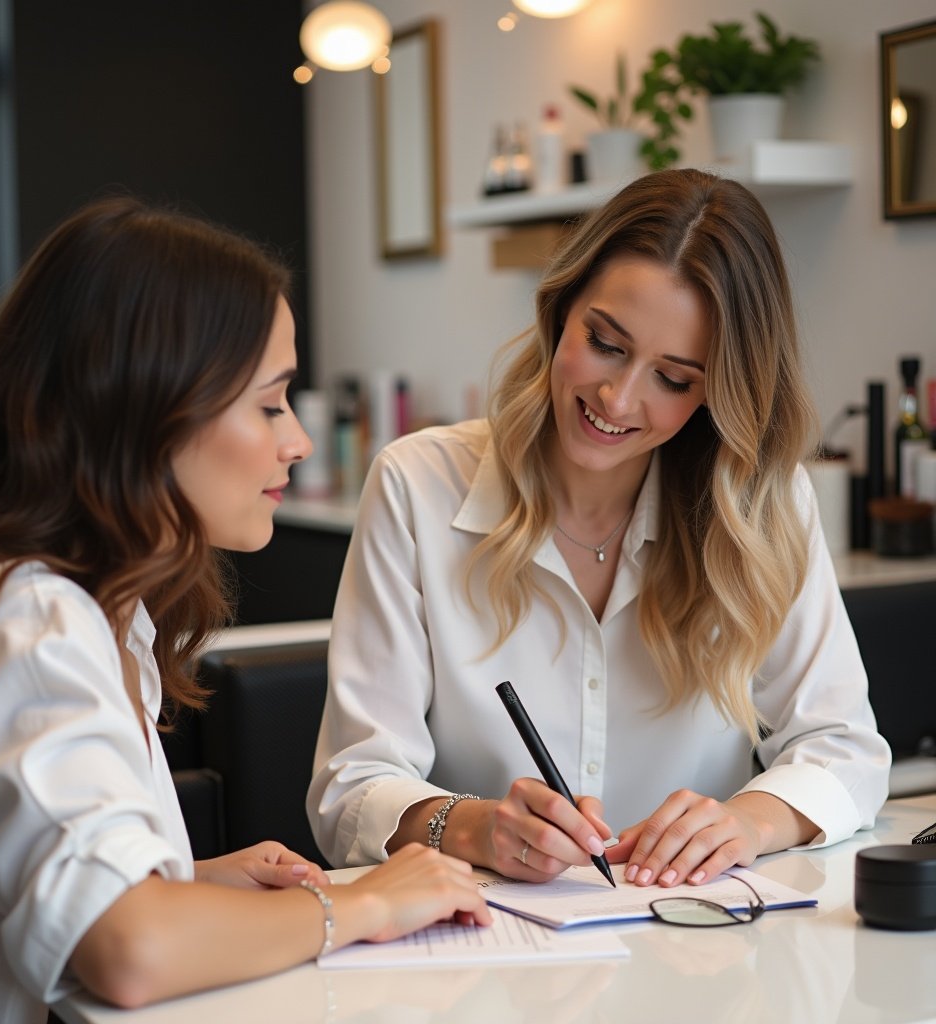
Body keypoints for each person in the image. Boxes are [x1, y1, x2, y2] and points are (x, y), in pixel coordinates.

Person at [0, 196, 491, 1024]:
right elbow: (129, 950)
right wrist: (365, 906)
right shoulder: (31, 625)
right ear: (148, 410)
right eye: (268, 405)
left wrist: (188, 879)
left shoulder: (85, 609)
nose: (294, 440)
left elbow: (45, 877)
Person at [308, 168, 891, 890]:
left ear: (719, 391)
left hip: (699, 951)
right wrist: (470, 825)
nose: (618, 398)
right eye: (606, 342)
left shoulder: (762, 505)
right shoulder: (418, 486)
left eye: (674, 379)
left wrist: (748, 821)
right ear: (562, 310)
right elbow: (349, 786)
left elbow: (844, 748)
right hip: (485, 958)